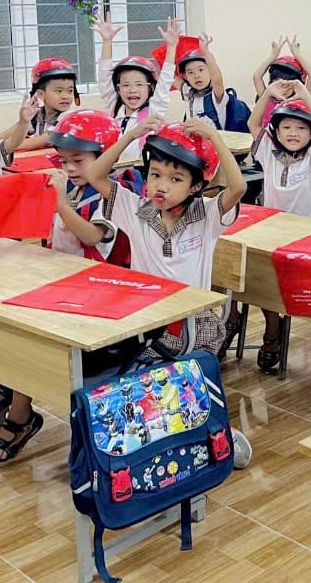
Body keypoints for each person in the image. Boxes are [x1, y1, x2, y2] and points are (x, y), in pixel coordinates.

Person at [0, 110, 137, 465]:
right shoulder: (72, 188)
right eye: (64, 161)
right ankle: (11, 385)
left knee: (30, 336)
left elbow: (92, 236)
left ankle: (20, 414)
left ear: (106, 156)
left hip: (101, 299)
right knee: (4, 316)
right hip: (64, 284)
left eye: (79, 160)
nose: (70, 168)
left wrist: (59, 203)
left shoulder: (113, 194)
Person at [85, 116, 252, 467]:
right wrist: (130, 135)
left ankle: (214, 431)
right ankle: (161, 439)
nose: (161, 186)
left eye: (176, 179)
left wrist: (214, 137)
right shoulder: (136, 209)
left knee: (187, 383)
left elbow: (237, 188)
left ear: (195, 187)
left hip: (195, 324)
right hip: (149, 323)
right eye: (155, 175)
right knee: (141, 381)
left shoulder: (207, 215)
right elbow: (96, 176)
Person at [247, 79, 311, 373]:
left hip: (303, 238)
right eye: (286, 127)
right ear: (276, 131)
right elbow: (253, 123)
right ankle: (272, 327)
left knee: (273, 279)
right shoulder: (268, 154)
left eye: (301, 128)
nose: (293, 133)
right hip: (271, 233)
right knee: (256, 275)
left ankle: (273, 332)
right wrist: (268, 94)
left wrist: (304, 93)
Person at [94, 13, 179, 162]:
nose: (132, 90)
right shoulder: (115, 108)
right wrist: (107, 42)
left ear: (150, 88)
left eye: (139, 84)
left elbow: (165, 82)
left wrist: (171, 47)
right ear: (118, 89)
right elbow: (104, 78)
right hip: (111, 169)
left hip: (138, 172)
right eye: (126, 85)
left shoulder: (152, 111)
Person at [178, 33, 249, 130]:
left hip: (216, 139)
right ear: (185, 76)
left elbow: (217, 79)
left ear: (210, 71)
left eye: (201, 70)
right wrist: (172, 47)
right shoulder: (189, 93)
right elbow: (169, 77)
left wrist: (205, 52)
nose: (196, 76)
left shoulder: (216, 96)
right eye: (190, 72)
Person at [17, 57, 79, 151]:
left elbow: (45, 139)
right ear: (41, 94)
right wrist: (23, 121)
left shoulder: (70, 117)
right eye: (59, 91)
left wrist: (6, 146)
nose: (65, 96)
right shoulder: (37, 115)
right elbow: (14, 132)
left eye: (70, 91)